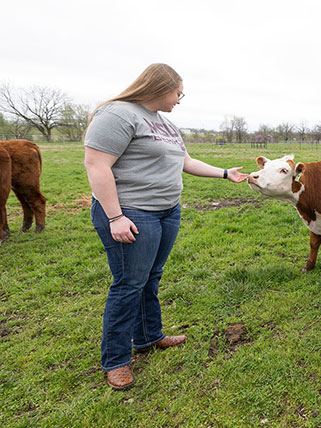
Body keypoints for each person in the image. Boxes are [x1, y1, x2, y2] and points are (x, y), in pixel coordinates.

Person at [83, 63, 249, 390]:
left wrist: (225, 173)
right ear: (160, 87)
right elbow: (96, 164)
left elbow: (185, 162)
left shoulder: (166, 124)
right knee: (129, 283)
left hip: (166, 212)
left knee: (150, 277)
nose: (179, 99)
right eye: (178, 92)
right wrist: (115, 216)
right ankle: (115, 360)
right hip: (131, 213)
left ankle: (147, 337)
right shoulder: (117, 115)